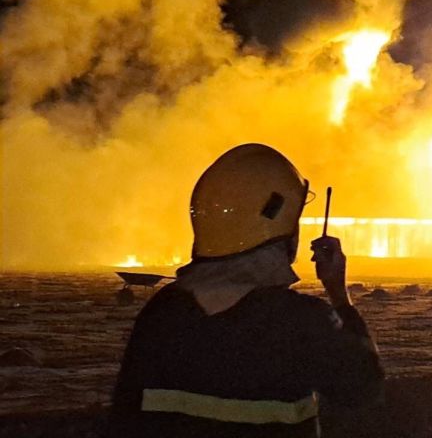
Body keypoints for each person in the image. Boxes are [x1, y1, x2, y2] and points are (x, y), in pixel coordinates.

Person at [109, 143, 383, 437]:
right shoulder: (299, 320)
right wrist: (339, 296)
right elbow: (363, 388)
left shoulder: (162, 310)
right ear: (277, 224)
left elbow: (124, 414)